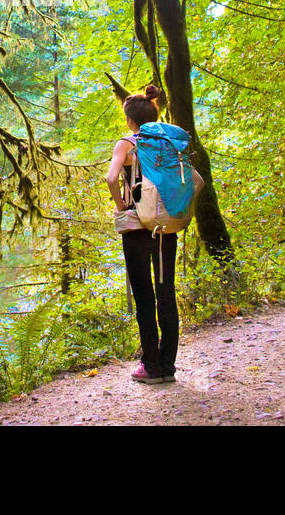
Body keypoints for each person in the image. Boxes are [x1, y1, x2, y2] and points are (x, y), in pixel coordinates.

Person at [104, 84, 179, 384]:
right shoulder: (167, 142)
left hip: (137, 226)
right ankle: (168, 367)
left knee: (144, 294)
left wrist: (122, 206)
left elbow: (111, 178)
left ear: (130, 120)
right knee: (166, 292)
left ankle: (150, 365)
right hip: (165, 224)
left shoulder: (127, 143)